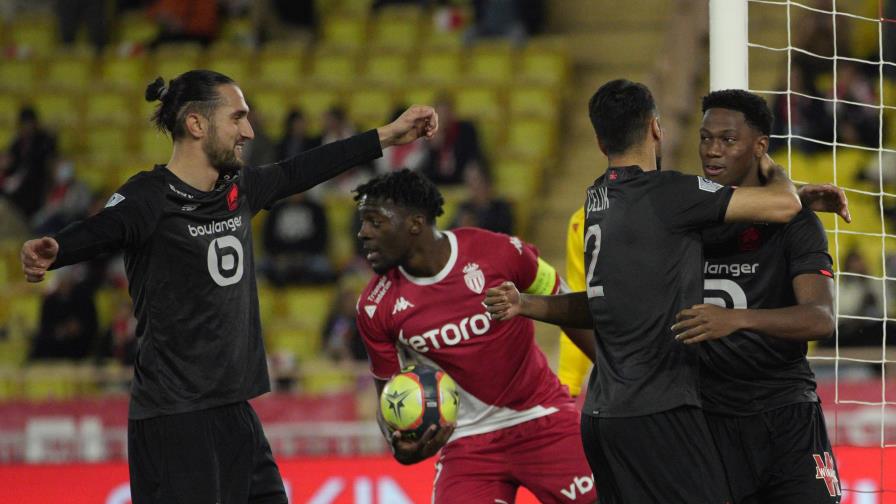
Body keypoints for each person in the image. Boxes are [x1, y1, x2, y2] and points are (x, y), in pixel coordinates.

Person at [20, 69, 438, 504]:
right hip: (174, 421)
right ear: (196, 125)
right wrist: (58, 249)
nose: (249, 131)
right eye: (237, 118)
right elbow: (105, 227)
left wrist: (389, 135)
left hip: (234, 413)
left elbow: (305, 168)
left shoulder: (239, 188)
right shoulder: (149, 197)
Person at [485, 79, 804, 504]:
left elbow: (600, 305)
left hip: (602, 416)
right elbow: (785, 205)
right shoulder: (671, 193)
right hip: (658, 412)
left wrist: (526, 304)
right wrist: (775, 171)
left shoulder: (596, 202)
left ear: (600, 142)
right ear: (657, 128)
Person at [354, 169, 596, 504]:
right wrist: (398, 445)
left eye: (374, 222)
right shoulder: (375, 306)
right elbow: (388, 397)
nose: (362, 233)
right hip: (466, 440)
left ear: (415, 223)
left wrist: (617, 375)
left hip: (542, 415)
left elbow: (570, 308)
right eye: (362, 223)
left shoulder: (500, 251)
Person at [671, 89, 845, 503]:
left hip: (786, 412)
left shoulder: (796, 224)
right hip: (708, 419)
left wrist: (737, 319)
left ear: (759, 147)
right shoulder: (681, 215)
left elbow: (820, 317)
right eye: (705, 138)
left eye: (728, 140)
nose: (712, 151)